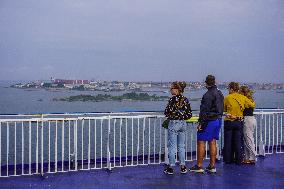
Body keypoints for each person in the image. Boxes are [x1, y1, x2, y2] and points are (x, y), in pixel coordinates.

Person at [189, 75, 224, 173]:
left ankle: (199, 166)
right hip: (218, 120)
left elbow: (204, 111)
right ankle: (212, 166)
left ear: (206, 83)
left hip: (209, 121)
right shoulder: (220, 93)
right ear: (215, 82)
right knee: (212, 142)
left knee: (201, 142)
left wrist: (201, 123)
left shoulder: (207, 95)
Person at [163, 81, 192, 175]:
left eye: (171, 88)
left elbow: (167, 112)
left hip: (174, 123)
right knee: (181, 146)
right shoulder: (185, 100)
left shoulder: (172, 100)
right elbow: (189, 114)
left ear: (176, 90)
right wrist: (182, 117)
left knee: (172, 146)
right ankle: (183, 167)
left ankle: (171, 167)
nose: (170, 90)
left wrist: (173, 116)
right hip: (183, 123)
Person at [223, 82, 255, 164]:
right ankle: (238, 159)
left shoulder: (227, 98)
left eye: (229, 89)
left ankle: (228, 159)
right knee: (238, 142)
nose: (228, 90)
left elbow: (224, 109)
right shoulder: (242, 97)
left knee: (228, 141)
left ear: (231, 89)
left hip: (229, 121)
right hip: (238, 122)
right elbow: (252, 105)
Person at [240, 86, 257, 164]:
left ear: (243, 93)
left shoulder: (245, 100)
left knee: (248, 139)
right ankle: (247, 157)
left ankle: (252, 157)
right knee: (247, 139)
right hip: (252, 119)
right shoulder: (251, 100)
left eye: (240, 92)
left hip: (247, 120)